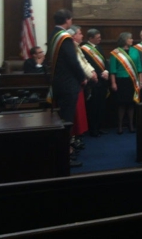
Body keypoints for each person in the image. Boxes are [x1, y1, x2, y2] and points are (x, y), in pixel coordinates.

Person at [47, 9, 86, 168]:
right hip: (68, 84)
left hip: (58, 82)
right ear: (68, 20)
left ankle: (65, 150)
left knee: (62, 118)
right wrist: (82, 76)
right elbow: (73, 61)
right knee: (66, 120)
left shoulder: (53, 35)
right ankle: (65, 155)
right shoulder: (65, 38)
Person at [67, 26, 97, 144]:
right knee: (75, 113)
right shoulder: (70, 47)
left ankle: (76, 138)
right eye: (80, 33)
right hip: (74, 83)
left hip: (79, 82)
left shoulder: (76, 46)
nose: (82, 36)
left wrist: (92, 71)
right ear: (73, 36)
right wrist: (91, 74)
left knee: (79, 113)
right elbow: (79, 64)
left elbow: (85, 61)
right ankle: (73, 140)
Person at [110, 32, 142, 135]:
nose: (132, 40)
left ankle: (131, 125)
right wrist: (113, 83)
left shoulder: (135, 51)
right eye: (130, 39)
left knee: (131, 104)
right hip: (121, 81)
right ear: (125, 40)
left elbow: (139, 67)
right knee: (121, 104)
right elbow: (112, 70)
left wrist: (141, 81)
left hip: (132, 81)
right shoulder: (115, 52)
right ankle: (120, 126)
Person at [81, 28, 109, 137]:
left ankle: (99, 127)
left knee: (101, 106)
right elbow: (86, 65)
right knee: (93, 107)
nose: (100, 39)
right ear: (90, 38)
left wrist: (106, 70)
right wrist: (98, 73)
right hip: (93, 82)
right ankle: (93, 129)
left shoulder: (99, 48)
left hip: (102, 81)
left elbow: (105, 61)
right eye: (98, 38)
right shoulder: (84, 49)